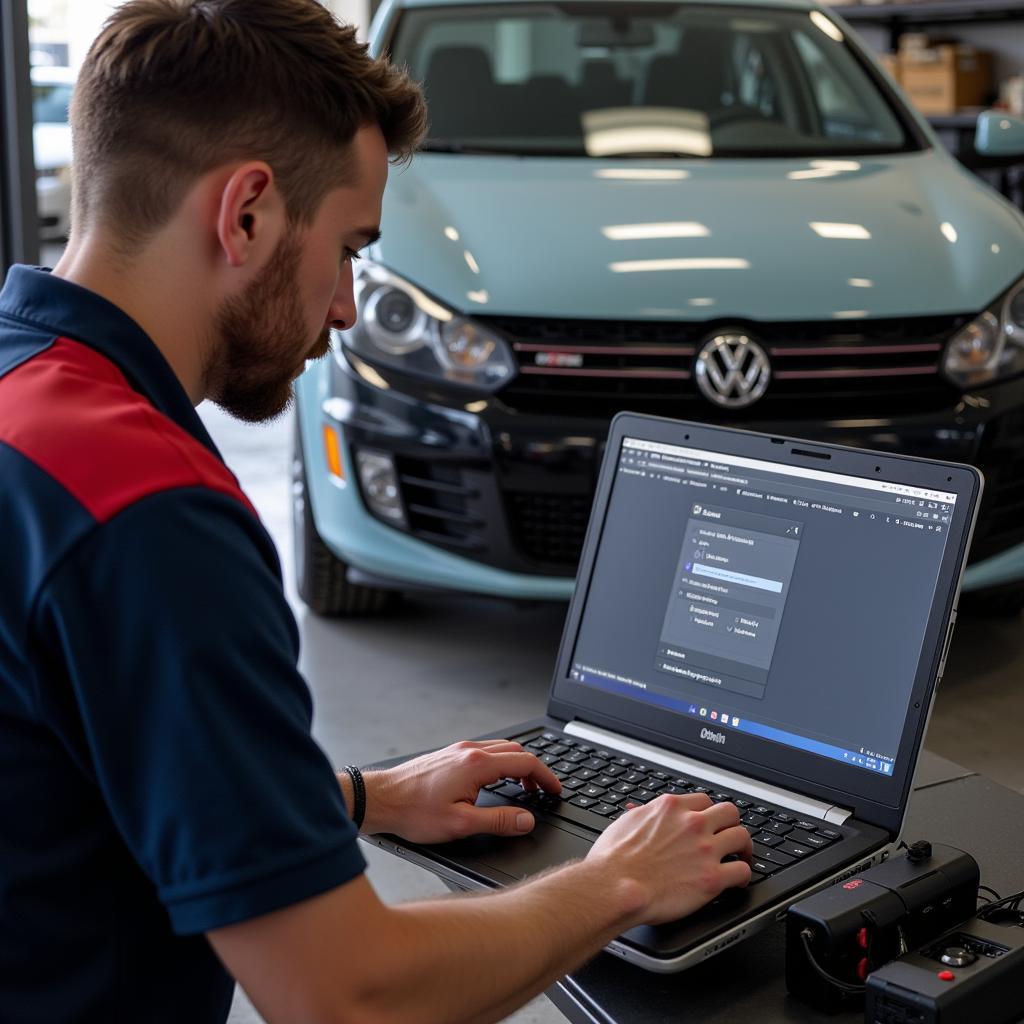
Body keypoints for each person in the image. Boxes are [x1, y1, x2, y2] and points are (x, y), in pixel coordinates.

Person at [0, 2, 753, 1021]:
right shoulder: (147, 514)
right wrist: (619, 879)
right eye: (350, 246)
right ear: (249, 212)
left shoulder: (26, 384)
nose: (348, 304)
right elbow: (346, 992)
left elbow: (81, 763)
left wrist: (361, 797)